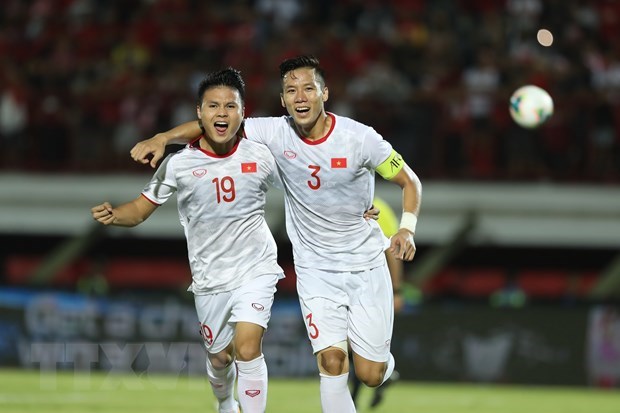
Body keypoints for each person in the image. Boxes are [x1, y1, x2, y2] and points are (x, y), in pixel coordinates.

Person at [130, 55, 422, 413]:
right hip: (315, 270)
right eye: (290, 90)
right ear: (282, 100)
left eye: (308, 88)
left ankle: (385, 367)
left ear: (324, 93)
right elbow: (216, 122)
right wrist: (164, 137)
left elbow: (410, 180)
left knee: (370, 374)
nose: (300, 97)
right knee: (332, 362)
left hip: (365, 265)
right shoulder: (273, 131)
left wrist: (406, 228)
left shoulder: (360, 139)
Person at [92, 68, 284, 413]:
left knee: (248, 347)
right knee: (220, 357)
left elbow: (306, 191)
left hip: (257, 268)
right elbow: (139, 210)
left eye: (230, 106)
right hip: (210, 279)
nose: (221, 114)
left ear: (243, 112)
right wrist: (114, 215)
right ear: (199, 113)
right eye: (213, 106)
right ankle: (225, 402)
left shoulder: (262, 155)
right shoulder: (178, 164)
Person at [350, 197, 403, 409]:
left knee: (356, 346)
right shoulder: (339, 199)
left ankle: (374, 380)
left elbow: (391, 249)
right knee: (348, 347)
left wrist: (396, 290)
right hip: (343, 284)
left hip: (371, 287)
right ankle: (380, 380)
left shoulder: (378, 207)